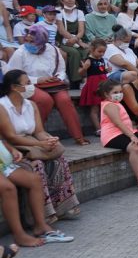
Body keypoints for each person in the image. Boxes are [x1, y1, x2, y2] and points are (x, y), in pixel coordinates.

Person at [0, 69, 80, 221]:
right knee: (36, 165)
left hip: (32, 143)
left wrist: (49, 140)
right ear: (14, 87)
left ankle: (63, 206)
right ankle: (43, 214)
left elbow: (39, 131)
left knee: (59, 161)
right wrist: (40, 144)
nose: (31, 87)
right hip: (11, 147)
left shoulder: (31, 105)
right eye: (27, 83)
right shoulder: (2, 106)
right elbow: (11, 136)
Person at [7, 25, 88, 144]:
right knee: (44, 100)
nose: (29, 43)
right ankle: (37, 133)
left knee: (64, 100)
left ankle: (78, 136)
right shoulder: (20, 52)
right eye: (27, 40)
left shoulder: (53, 49)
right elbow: (12, 75)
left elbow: (61, 69)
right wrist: (37, 80)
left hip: (53, 84)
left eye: (33, 41)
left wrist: (57, 78)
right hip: (29, 85)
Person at [0, 138, 74, 247]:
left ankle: (40, 225)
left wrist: (12, 150)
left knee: (35, 180)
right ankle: (19, 235)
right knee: (8, 188)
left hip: (3, 164)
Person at [55, 0, 89, 83]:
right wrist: (78, 41)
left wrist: (77, 39)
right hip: (63, 41)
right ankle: (76, 80)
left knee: (87, 50)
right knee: (74, 53)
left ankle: (86, 78)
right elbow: (61, 31)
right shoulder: (58, 12)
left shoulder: (80, 12)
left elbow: (81, 30)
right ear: (62, 1)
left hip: (77, 40)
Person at [79, 39, 108, 134]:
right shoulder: (89, 60)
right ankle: (98, 129)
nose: (102, 54)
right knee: (95, 108)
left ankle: (106, 127)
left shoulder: (102, 60)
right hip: (94, 86)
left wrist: (107, 70)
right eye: (99, 51)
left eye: (103, 52)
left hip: (103, 85)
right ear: (92, 49)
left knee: (104, 107)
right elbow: (80, 73)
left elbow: (102, 71)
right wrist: (84, 68)